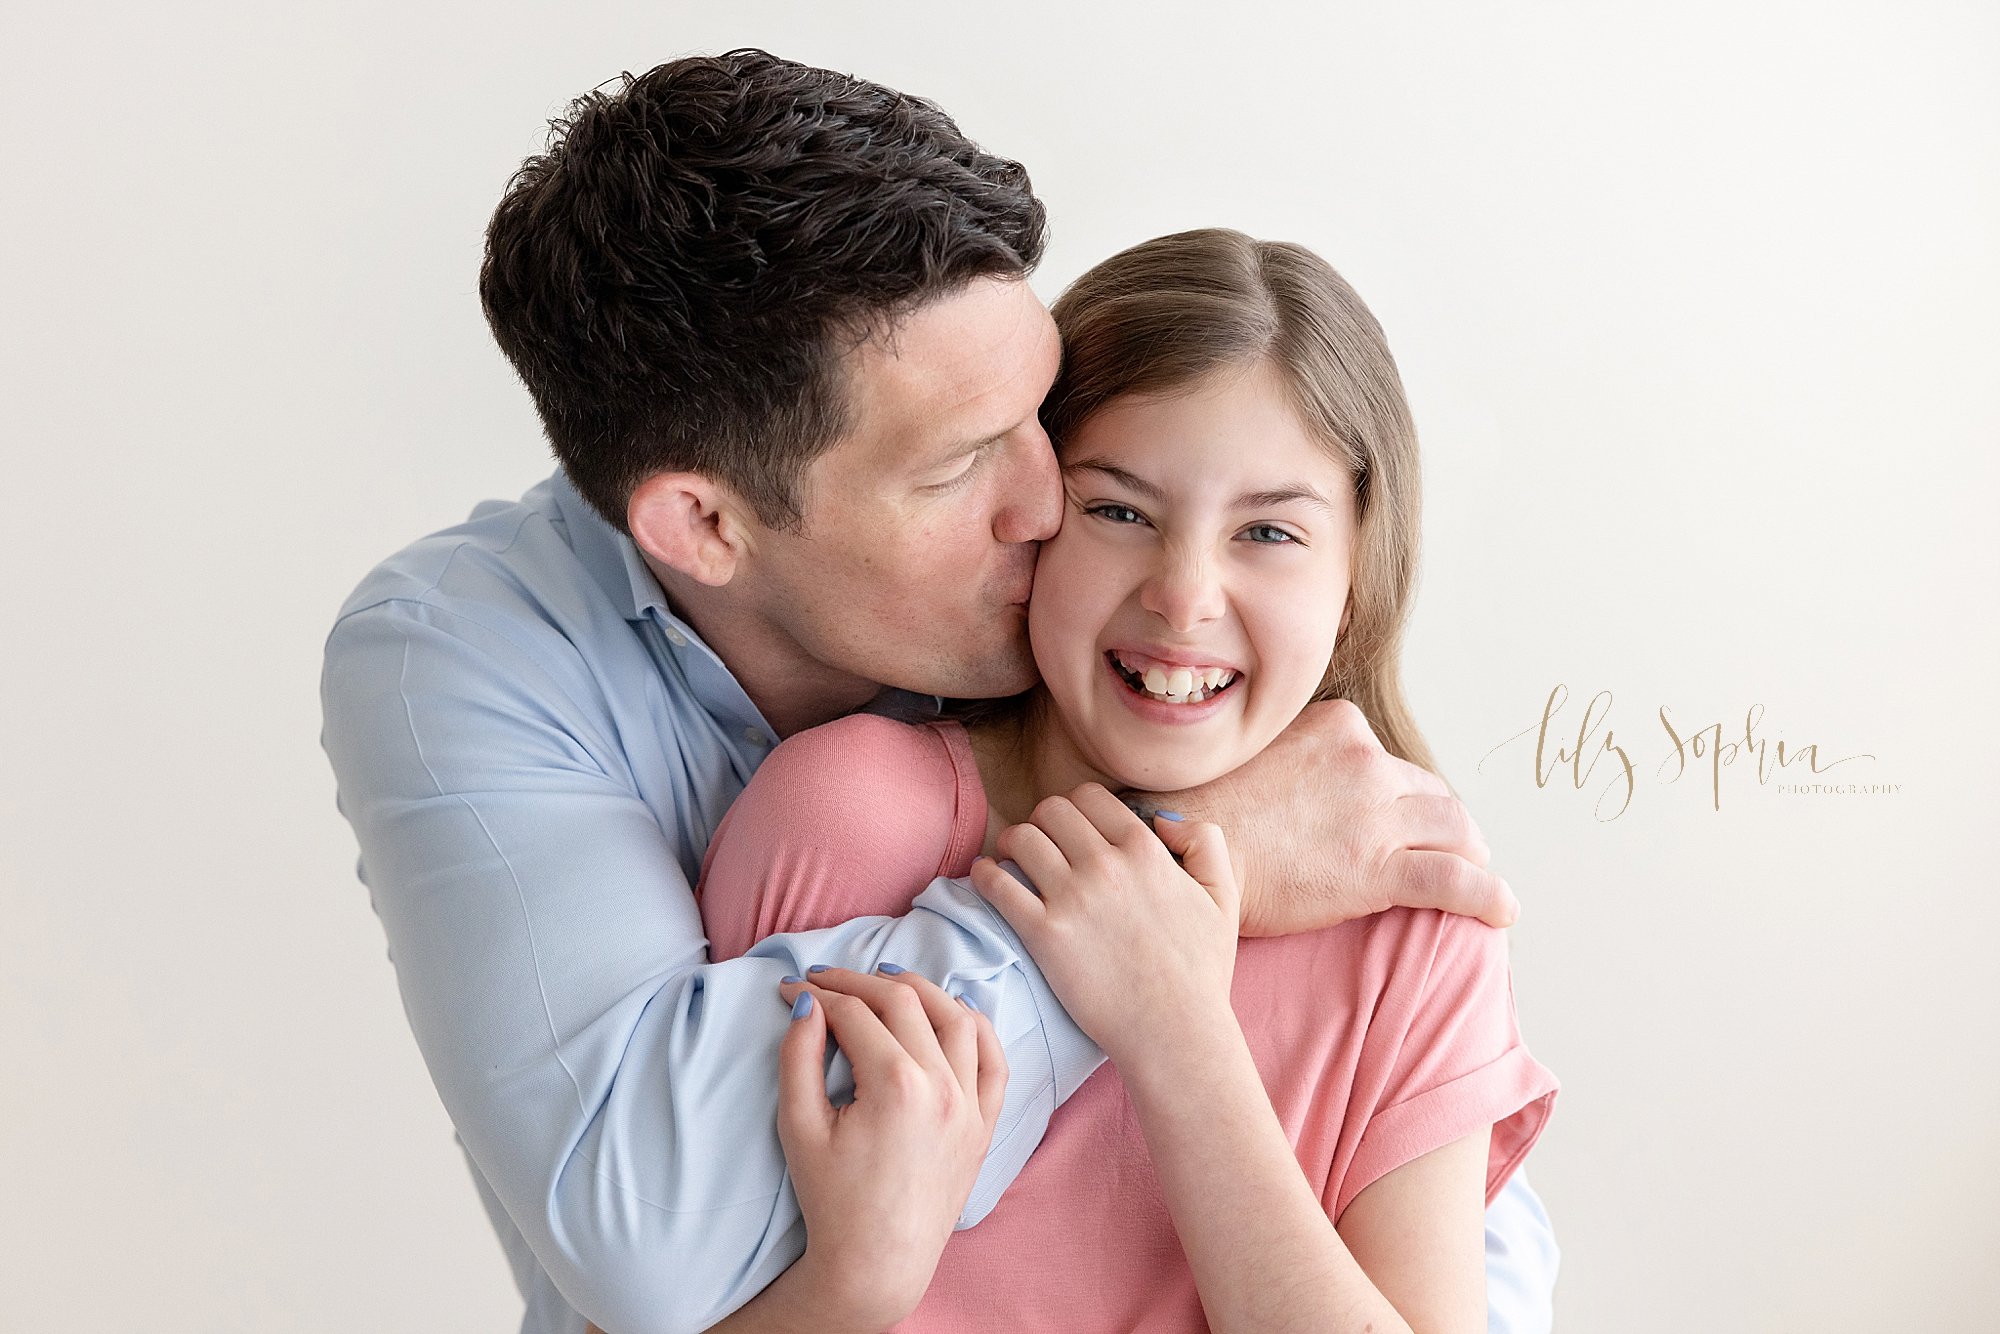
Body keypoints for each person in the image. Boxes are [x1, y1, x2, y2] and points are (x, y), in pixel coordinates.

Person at [318, 50, 1552, 1334]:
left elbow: (1460, 1251)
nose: (1047, 506)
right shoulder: (478, 665)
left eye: (1040, 417)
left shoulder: (1357, 846)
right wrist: (1180, 867)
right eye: (964, 463)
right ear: (707, 526)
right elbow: (656, 1244)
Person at [690, 228, 1558, 1332]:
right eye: (1117, 510)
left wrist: (1175, 1029)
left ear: (1354, 575)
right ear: (1030, 519)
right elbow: (646, 1289)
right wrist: (849, 1283)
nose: (1184, 594)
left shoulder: (1409, 915)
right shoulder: (845, 817)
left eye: (1269, 531)